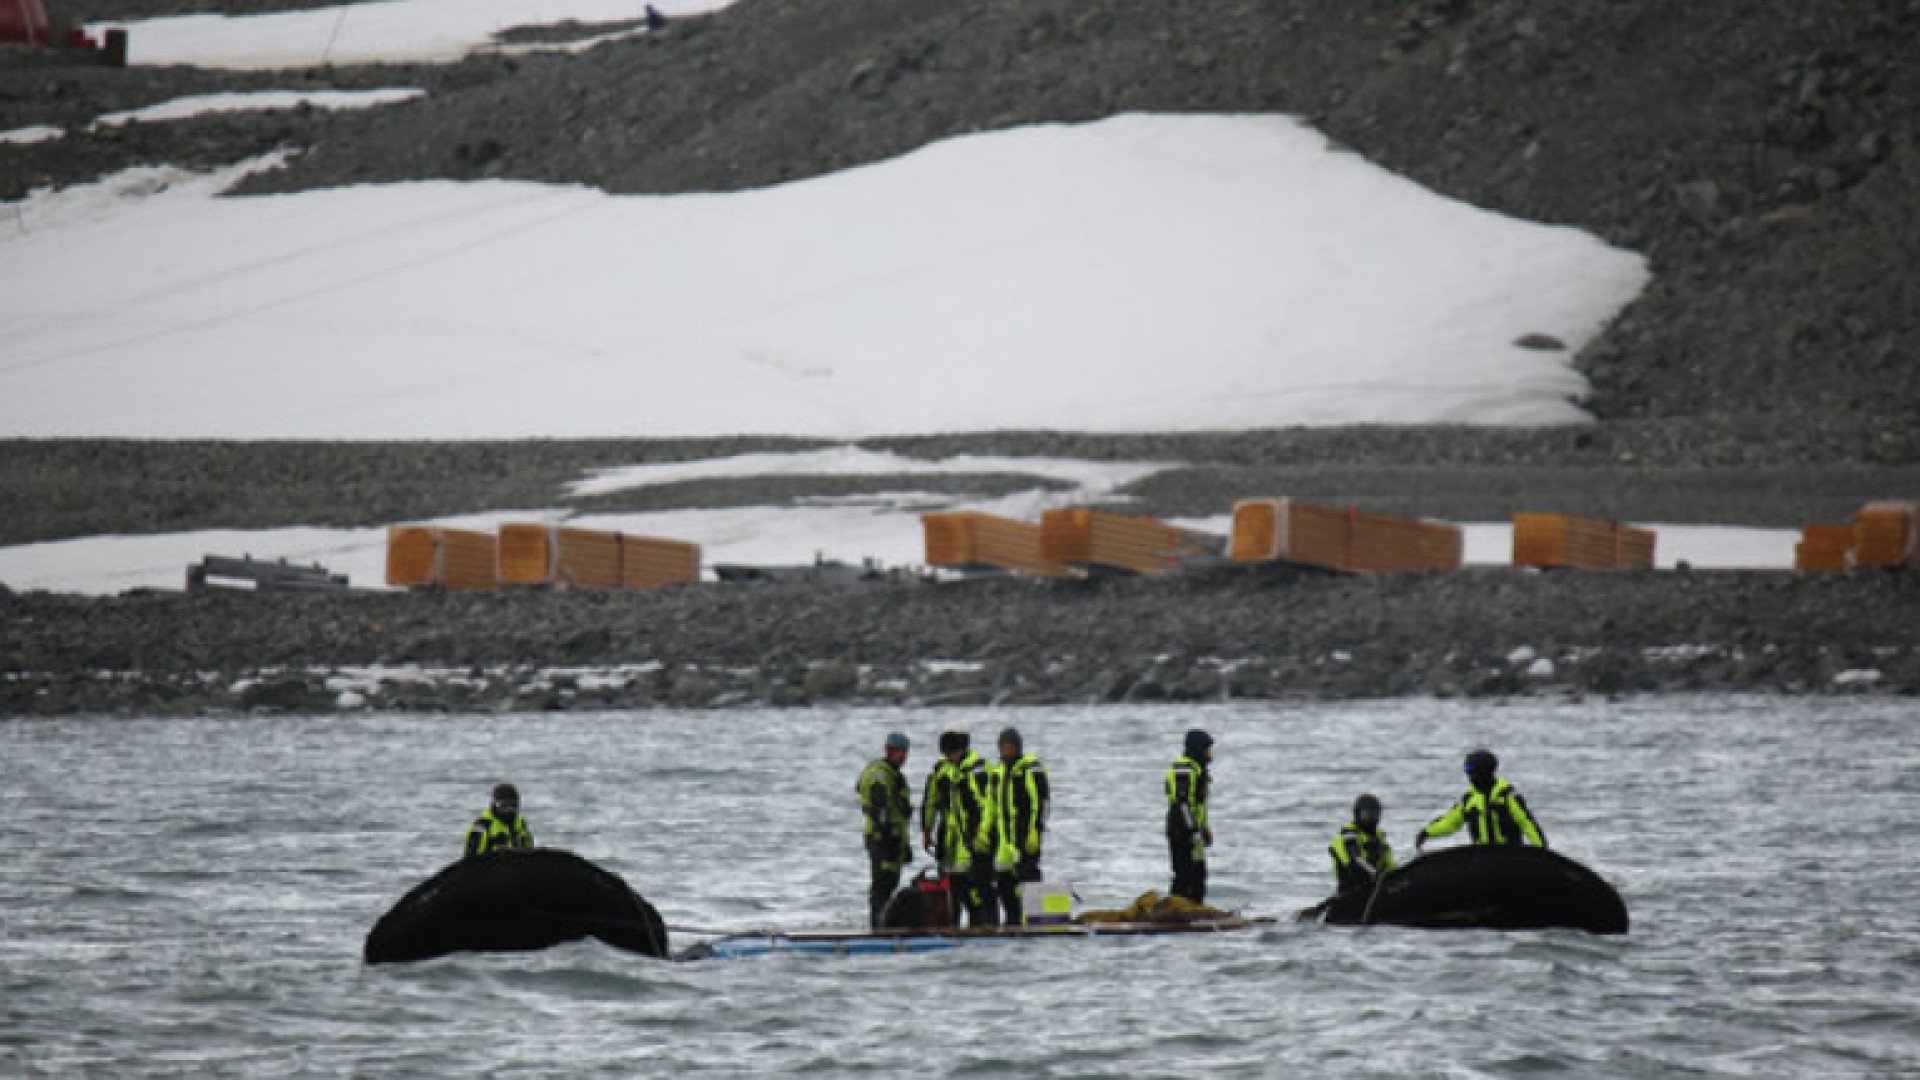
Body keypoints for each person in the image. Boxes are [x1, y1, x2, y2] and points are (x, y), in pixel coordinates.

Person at [922, 728, 996, 926]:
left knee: (973, 890)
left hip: (972, 838)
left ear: (963, 749)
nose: (950, 757)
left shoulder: (978, 770)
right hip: (948, 840)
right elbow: (930, 801)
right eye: (947, 753)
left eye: (953, 753)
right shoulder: (941, 770)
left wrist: (983, 835)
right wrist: (927, 830)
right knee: (950, 890)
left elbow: (987, 805)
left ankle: (979, 927)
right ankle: (953, 928)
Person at [980, 726, 1049, 925]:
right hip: (1004, 840)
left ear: (1018, 747)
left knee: (1028, 878)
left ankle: (1034, 922)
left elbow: (1042, 803)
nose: (1006, 751)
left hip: (1025, 835)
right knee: (1003, 883)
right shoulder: (997, 773)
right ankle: (1012, 922)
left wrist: (1036, 831)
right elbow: (990, 806)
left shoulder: (1030, 769)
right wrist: (984, 831)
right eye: (1003, 747)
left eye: (1010, 747)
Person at [1416, 748, 1548, 850]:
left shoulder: (1508, 796)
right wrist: (1427, 832)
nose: (1469, 776)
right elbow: (1450, 822)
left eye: (1471, 771)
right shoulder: (1468, 800)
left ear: (1485, 771)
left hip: (1510, 855)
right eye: (1467, 771)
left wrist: (1541, 851)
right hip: (1481, 857)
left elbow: (1527, 824)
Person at [857, 731, 914, 927]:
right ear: (889, 751)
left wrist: (904, 844)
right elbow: (879, 808)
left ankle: (884, 924)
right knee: (881, 886)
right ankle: (878, 926)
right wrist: (886, 834)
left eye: (905, 752)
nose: (903, 757)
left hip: (893, 839)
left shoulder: (894, 774)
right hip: (881, 839)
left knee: (890, 884)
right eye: (899, 752)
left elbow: (899, 814)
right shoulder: (880, 774)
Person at [1165, 729, 1214, 903]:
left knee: (1199, 876)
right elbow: (1182, 805)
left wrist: (1204, 829)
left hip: (1195, 833)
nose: (1209, 753)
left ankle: (1195, 910)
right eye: (1206, 749)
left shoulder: (1198, 770)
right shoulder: (1183, 769)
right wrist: (1193, 832)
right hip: (1181, 831)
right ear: (1197, 749)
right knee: (1184, 876)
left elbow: (1199, 805)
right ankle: (1175, 912)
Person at [1329, 793, 1395, 895]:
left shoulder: (1379, 837)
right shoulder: (1348, 836)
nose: (1371, 819)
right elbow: (1355, 859)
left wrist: (1396, 876)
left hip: (1376, 886)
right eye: (1366, 815)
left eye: (1374, 815)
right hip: (1351, 889)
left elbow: (1390, 864)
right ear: (1357, 814)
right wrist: (1376, 874)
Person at [464, 782, 533, 858]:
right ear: (494, 804)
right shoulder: (480, 827)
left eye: (513, 806)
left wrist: (516, 851)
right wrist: (496, 852)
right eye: (504, 806)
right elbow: (471, 859)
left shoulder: (521, 823)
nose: (509, 810)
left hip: (517, 866)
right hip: (490, 867)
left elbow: (529, 850)